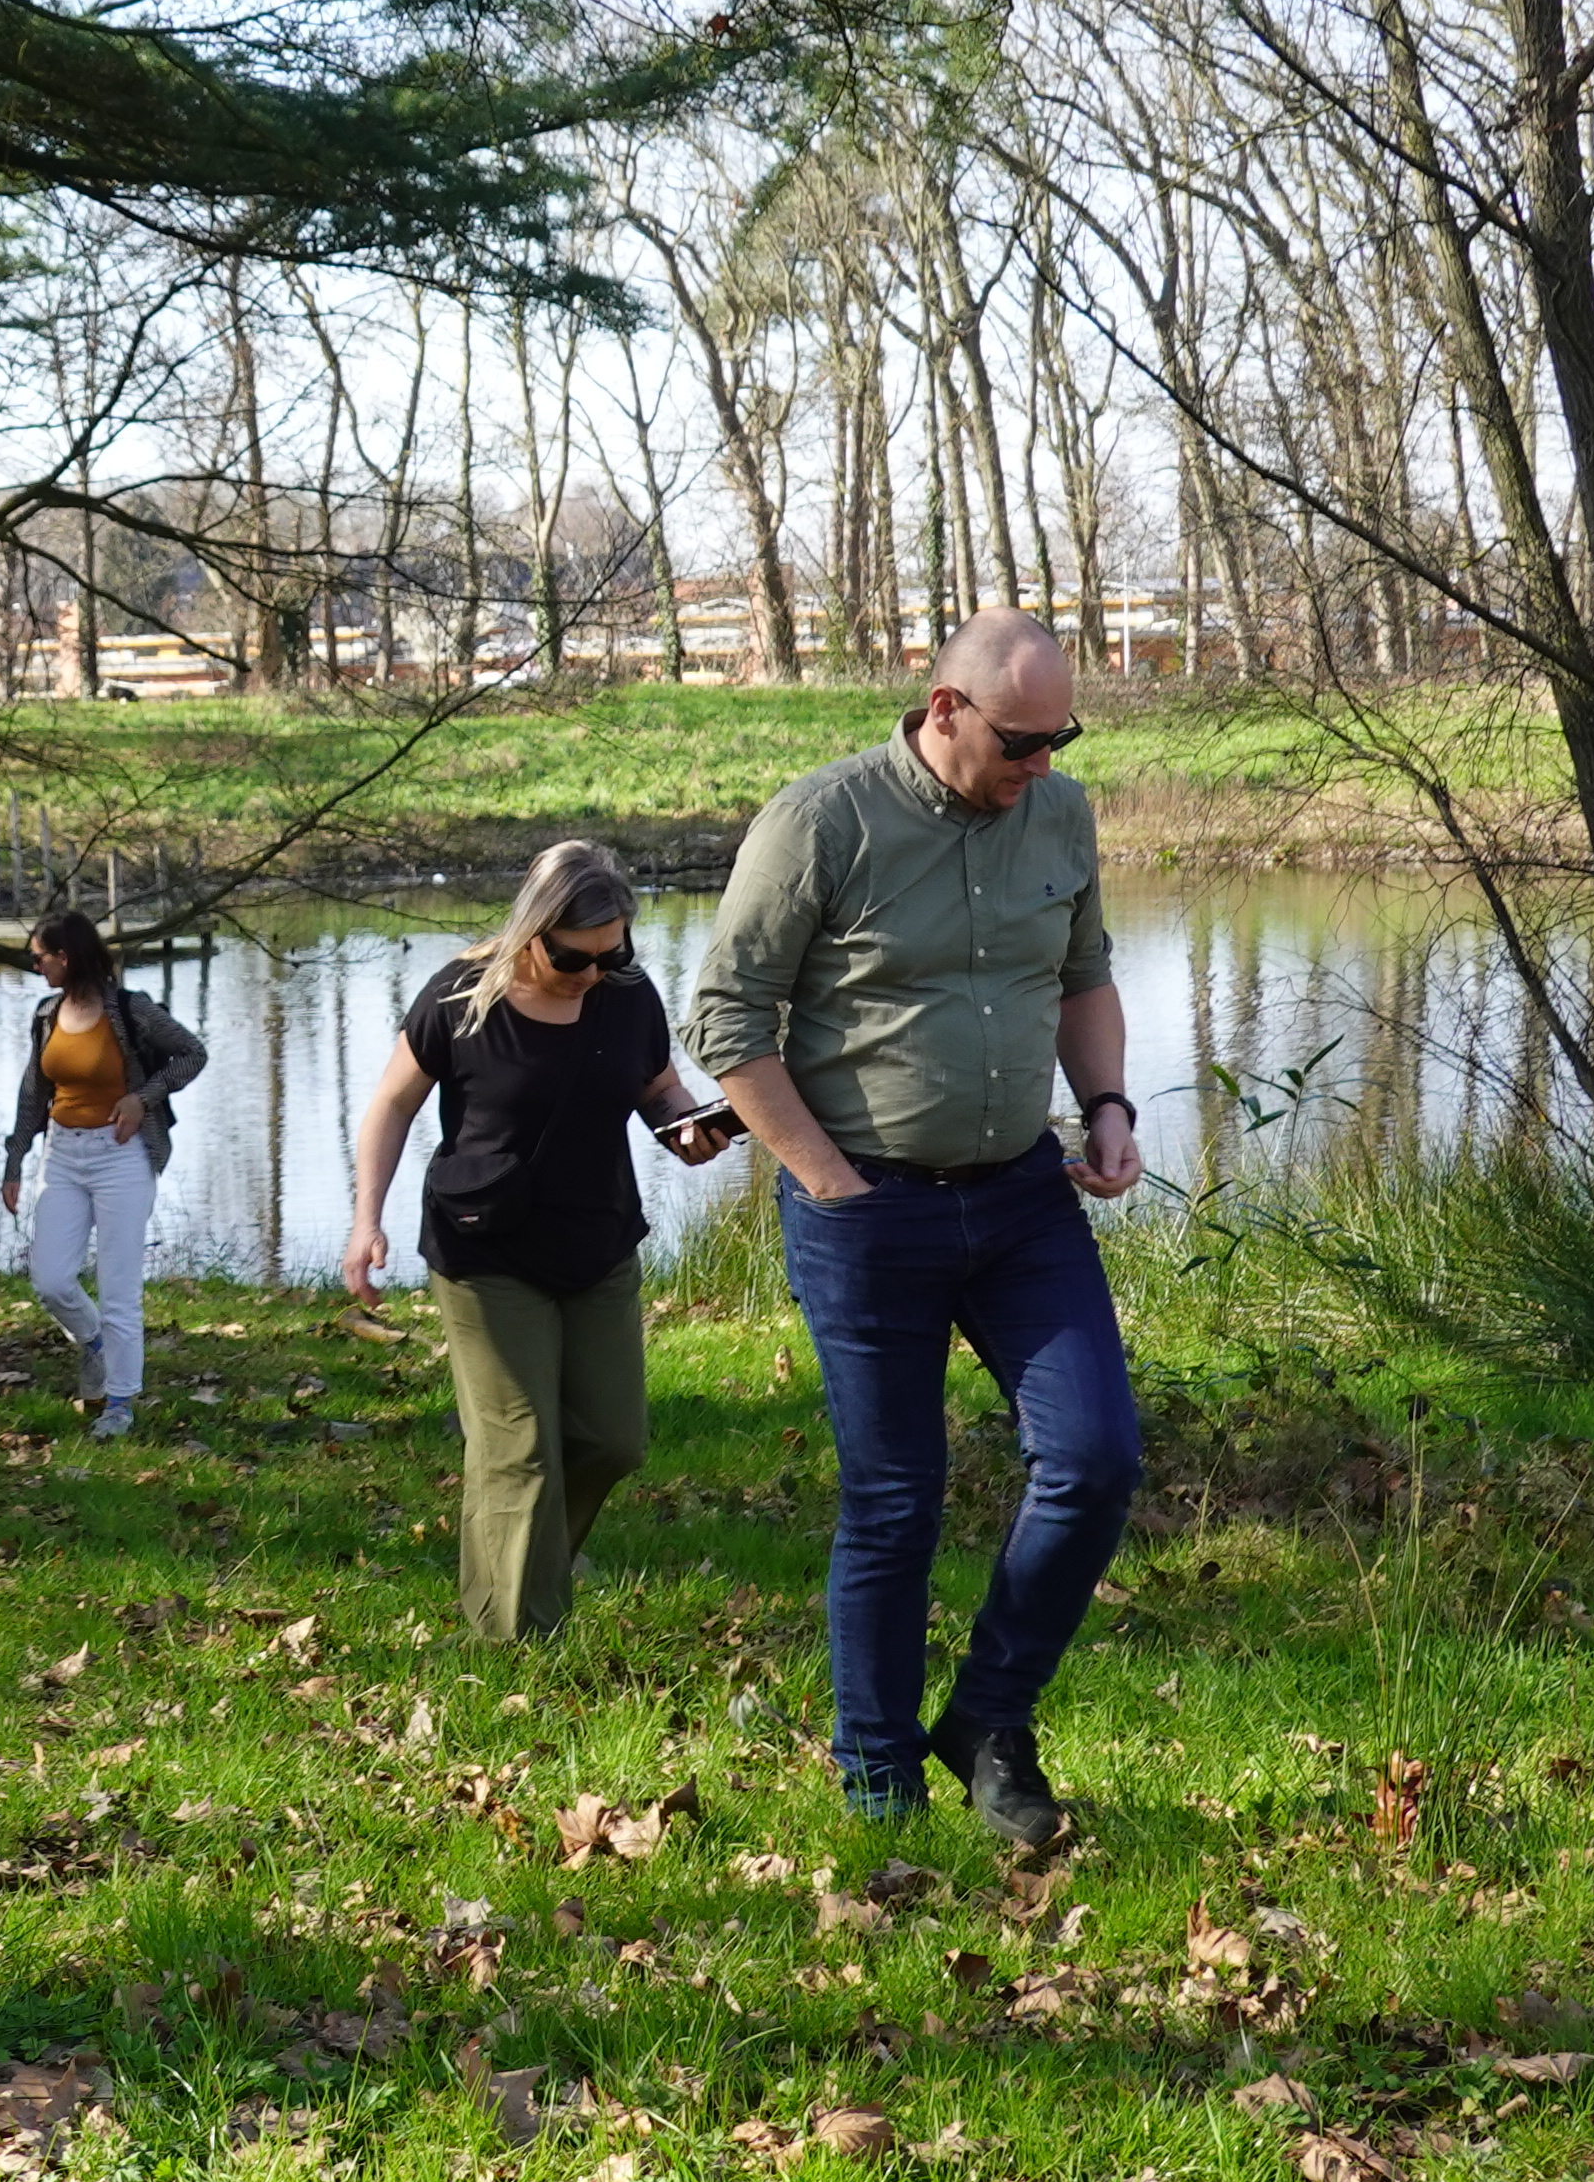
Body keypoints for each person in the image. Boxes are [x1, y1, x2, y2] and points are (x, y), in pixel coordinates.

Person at [684, 609, 1144, 1850]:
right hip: (866, 1204)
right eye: (1018, 743)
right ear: (945, 709)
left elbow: (1084, 973)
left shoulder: (1061, 813)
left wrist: (1105, 1103)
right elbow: (727, 1019)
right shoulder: (821, 822)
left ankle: (991, 1720)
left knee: (1096, 1458)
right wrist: (827, 1179)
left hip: (1022, 1197)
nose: (1038, 766)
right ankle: (877, 1776)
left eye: (1060, 741)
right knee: (897, 1502)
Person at [341, 842, 737, 1643]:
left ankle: (518, 1565)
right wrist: (365, 1219)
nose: (593, 971)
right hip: (486, 1252)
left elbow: (657, 1085)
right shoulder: (459, 997)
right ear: (531, 932)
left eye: (612, 951)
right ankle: (519, 1644)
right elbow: (389, 1106)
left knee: (611, 1441)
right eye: (572, 956)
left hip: (598, 1244)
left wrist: (685, 1129)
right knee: (519, 1453)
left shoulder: (625, 993)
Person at [0, 909, 207, 1440]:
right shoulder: (46, 1014)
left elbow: (191, 1054)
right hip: (62, 1156)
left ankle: (119, 1402)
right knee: (50, 1279)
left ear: (65, 957)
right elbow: (32, 1093)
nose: (35, 964)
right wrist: (15, 1158)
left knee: (119, 1289)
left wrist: (142, 1097)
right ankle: (94, 1345)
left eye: (39, 956)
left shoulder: (130, 1010)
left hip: (122, 1157)